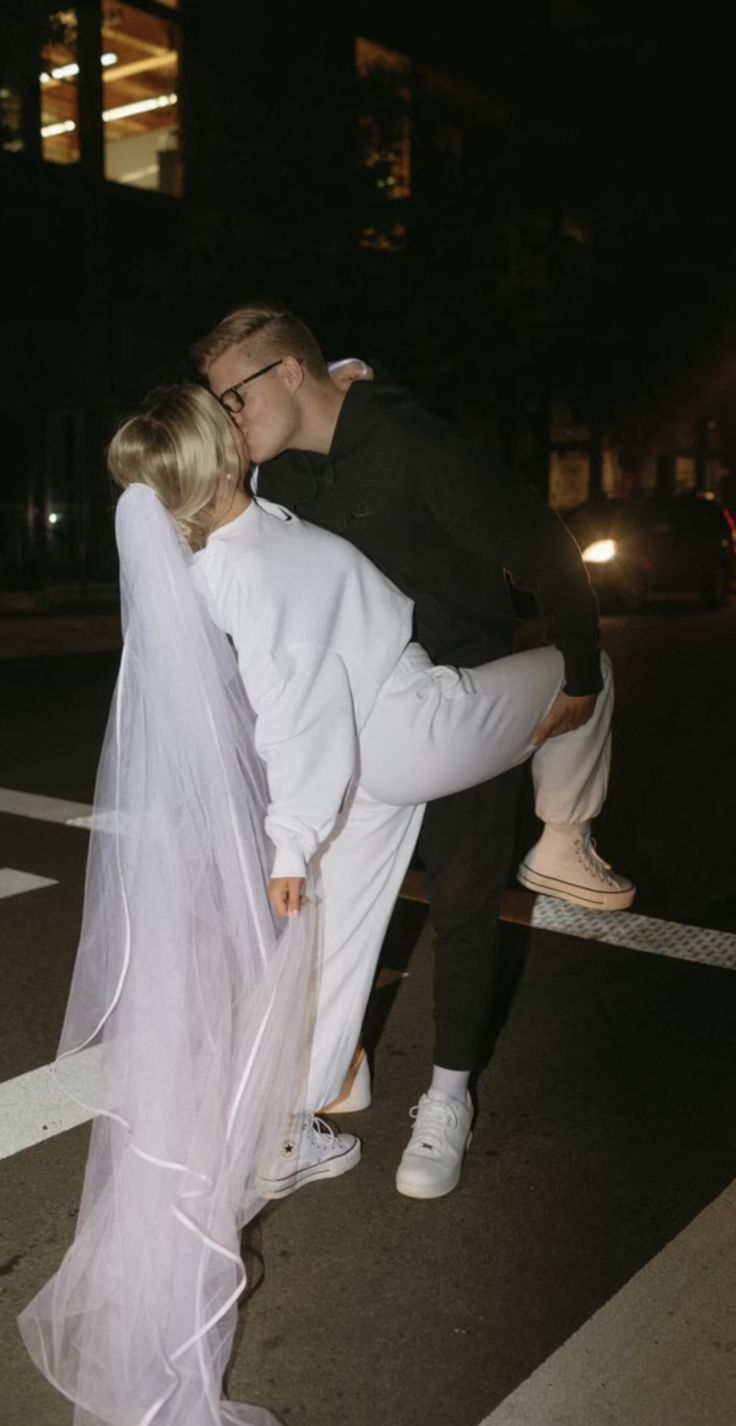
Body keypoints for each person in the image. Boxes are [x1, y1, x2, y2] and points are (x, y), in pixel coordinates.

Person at [21, 384, 628, 1426]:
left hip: (365, 766)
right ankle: (565, 840)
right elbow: (300, 721)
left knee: (331, 952)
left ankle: (285, 1126)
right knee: (587, 666)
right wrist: (291, 840)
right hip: (404, 726)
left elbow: (292, 691)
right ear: (222, 464)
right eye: (227, 414)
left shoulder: (216, 553)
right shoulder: (259, 566)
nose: (237, 414)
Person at [192, 302, 634, 1199]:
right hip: (354, 729)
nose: (227, 422)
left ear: (286, 373)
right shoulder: (271, 480)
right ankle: (324, 1080)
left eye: (234, 398)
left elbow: (548, 553)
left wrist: (579, 676)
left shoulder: (414, 447)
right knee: (327, 913)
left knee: (468, 902)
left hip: (461, 704)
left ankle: (449, 1094)